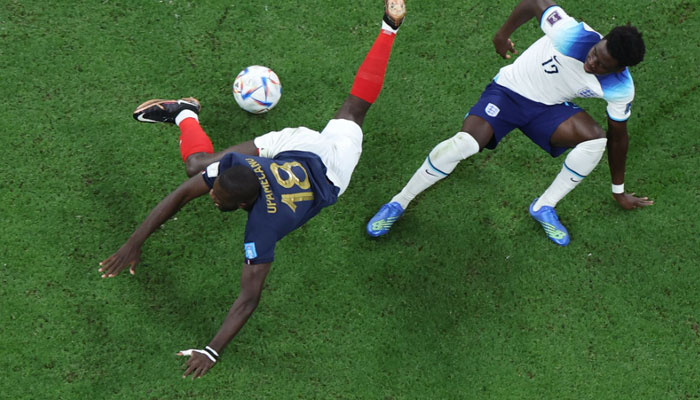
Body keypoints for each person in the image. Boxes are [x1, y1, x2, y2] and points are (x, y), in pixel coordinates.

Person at [98, 0, 406, 379]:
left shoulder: (263, 228)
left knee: (355, 111)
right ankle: (184, 111)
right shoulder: (239, 169)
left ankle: (390, 28)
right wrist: (134, 242)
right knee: (198, 165)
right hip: (300, 144)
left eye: (217, 198)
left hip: (332, 171)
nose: (210, 196)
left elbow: (248, 299)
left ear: (246, 203)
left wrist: (211, 351)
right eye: (215, 192)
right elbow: (182, 193)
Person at [366, 0, 652, 246]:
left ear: (620, 68)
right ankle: (398, 202)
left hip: (547, 109)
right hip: (508, 92)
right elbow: (534, 2)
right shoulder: (571, 34)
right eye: (595, 54)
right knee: (463, 144)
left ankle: (544, 207)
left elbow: (619, 138)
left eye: (602, 66)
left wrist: (619, 192)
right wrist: (502, 35)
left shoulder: (620, 88)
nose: (592, 63)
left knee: (596, 139)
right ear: (600, 42)